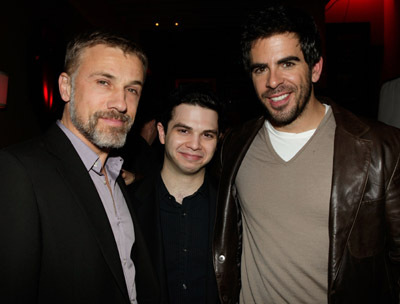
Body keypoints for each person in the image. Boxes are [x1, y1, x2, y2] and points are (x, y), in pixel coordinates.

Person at [213, 5, 400, 304]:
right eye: (260, 68)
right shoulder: (235, 144)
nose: (273, 81)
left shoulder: (380, 149)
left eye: (287, 64)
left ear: (315, 69)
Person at [0, 31, 159, 304]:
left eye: (132, 89)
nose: (121, 103)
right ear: (65, 87)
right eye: (103, 82)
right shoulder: (19, 171)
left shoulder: (116, 174)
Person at [129, 86, 221, 303]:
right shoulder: (127, 203)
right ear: (162, 132)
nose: (195, 145)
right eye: (183, 130)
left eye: (207, 135)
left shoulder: (232, 208)